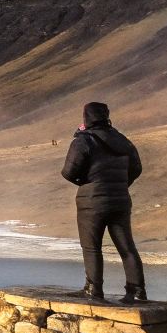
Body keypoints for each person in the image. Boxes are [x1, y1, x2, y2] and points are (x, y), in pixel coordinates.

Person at [61, 101, 146, 303]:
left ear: (86, 118)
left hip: (92, 202)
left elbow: (69, 171)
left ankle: (94, 289)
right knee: (126, 246)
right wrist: (121, 184)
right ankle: (137, 291)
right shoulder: (123, 140)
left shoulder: (83, 141)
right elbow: (136, 168)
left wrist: (84, 182)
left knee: (92, 246)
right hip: (120, 200)